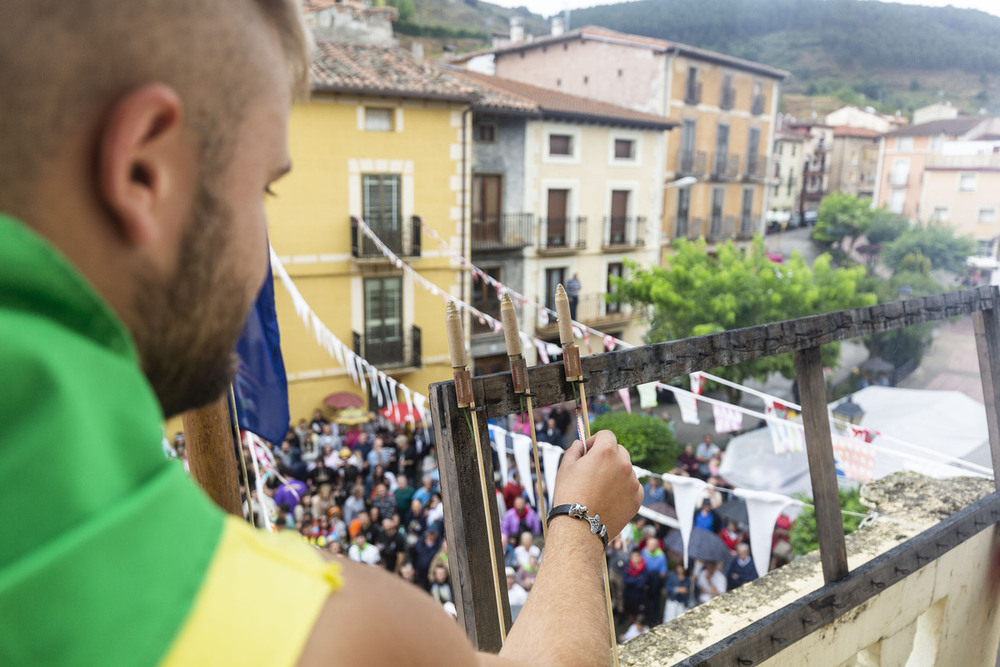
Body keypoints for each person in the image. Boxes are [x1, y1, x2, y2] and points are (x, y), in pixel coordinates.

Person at [0, 2, 643, 665]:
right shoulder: (334, 634)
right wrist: (582, 523)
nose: (263, 260)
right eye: (262, 191)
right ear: (143, 171)